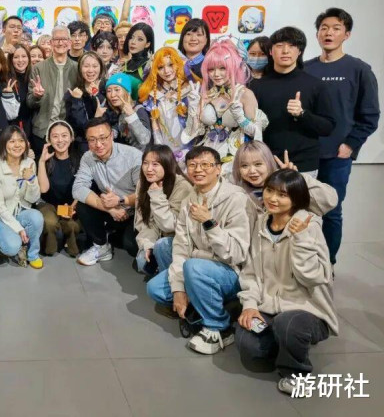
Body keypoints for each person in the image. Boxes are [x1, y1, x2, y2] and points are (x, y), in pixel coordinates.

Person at [235, 169, 337, 396]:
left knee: (289, 324)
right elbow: (251, 272)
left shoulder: (308, 226)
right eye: (270, 191)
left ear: (296, 198)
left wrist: (301, 241)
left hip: (307, 310)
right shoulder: (261, 223)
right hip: (269, 306)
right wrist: (250, 305)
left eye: (282, 195)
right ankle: (287, 342)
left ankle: (296, 373)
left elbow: (313, 276)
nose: (273, 198)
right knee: (248, 346)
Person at [146, 146, 256, 355]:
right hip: (197, 267)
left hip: (231, 271)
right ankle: (202, 302)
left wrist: (209, 223)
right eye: (192, 165)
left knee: (193, 267)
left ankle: (219, 327)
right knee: (156, 288)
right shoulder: (189, 200)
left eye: (206, 165)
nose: (198, 170)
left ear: (218, 169)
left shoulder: (236, 199)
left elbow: (237, 254)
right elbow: (180, 247)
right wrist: (178, 289)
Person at [304, 8, 380, 265]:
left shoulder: (358, 69)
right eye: (324, 28)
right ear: (317, 33)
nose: (329, 33)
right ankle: (303, 263)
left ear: (346, 34)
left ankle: (327, 264)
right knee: (300, 210)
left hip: (337, 155)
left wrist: (350, 145)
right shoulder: (306, 68)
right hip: (307, 153)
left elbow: (370, 115)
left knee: (331, 211)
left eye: (336, 28)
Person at [250, 26, 335, 173]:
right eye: (279, 46)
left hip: (304, 164)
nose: (285, 51)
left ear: (299, 51)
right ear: (270, 51)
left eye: (291, 46)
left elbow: (327, 127)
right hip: (265, 163)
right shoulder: (256, 86)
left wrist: (302, 114)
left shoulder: (316, 85)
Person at [183, 39, 264, 176]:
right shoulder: (206, 95)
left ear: (233, 67)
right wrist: (193, 109)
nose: (216, 74)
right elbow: (194, 132)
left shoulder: (245, 94)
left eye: (222, 68)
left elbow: (256, 134)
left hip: (234, 159)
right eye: (211, 69)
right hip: (206, 158)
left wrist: (240, 118)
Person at [73, 117, 142, 265]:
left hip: (135, 210)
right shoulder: (88, 157)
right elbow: (78, 188)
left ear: (112, 135)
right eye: (92, 140)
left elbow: (144, 194)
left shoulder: (133, 156)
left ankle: (116, 236)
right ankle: (101, 246)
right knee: (82, 205)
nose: (98, 144)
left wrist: (121, 200)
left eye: (103, 138)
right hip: (110, 210)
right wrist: (110, 209)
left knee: (131, 246)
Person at [232, 141, 337, 217]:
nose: (252, 171)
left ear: (269, 163)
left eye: (258, 164)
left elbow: (329, 201)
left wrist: (296, 179)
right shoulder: (236, 190)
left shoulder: (285, 182)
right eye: (244, 166)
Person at [0, 126, 44, 268]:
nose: (17, 145)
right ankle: (10, 243)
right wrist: (18, 228)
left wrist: (31, 180)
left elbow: (33, 199)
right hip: (1, 216)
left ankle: (33, 254)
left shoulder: (29, 163)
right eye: (12, 141)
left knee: (36, 217)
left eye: (21, 140)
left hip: (22, 211)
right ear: (4, 144)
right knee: (11, 247)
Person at [134, 145, 193, 277]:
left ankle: (174, 278)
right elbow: (144, 221)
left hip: (177, 240)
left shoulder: (182, 186)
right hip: (156, 235)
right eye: (145, 163)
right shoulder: (142, 183)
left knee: (161, 246)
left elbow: (169, 226)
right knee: (141, 261)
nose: (149, 169)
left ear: (167, 164)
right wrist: (148, 245)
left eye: (155, 164)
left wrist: (157, 196)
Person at [27, 26, 78, 158]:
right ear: (51, 43)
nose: (60, 43)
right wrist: (36, 96)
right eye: (56, 39)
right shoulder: (38, 68)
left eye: (64, 39)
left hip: (68, 131)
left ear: (69, 42)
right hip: (42, 131)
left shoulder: (77, 68)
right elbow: (29, 103)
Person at [138, 47, 195, 165]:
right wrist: (159, 149)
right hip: (166, 151)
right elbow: (155, 125)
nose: (166, 71)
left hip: (190, 148)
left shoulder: (190, 89)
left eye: (170, 65)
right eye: (160, 67)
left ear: (178, 64)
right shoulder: (154, 94)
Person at [37, 121, 82, 256]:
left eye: (64, 135)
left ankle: (69, 239)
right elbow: (43, 189)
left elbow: (84, 188)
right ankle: (50, 243)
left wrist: (72, 207)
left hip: (72, 204)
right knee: (49, 222)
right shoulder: (44, 160)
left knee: (71, 226)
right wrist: (41, 162)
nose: (60, 140)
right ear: (49, 140)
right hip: (48, 204)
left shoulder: (80, 159)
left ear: (71, 138)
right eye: (55, 136)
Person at [65, 52, 107, 153]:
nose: (90, 70)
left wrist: (96, 95)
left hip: (105, 143)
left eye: (95, 66)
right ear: (80, 68)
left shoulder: (108, 88)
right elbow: (80, 126)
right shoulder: (74, 92)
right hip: (82, 146)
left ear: (101, 68)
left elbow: (110, 117)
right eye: (86, 66)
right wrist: (77, 100)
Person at [103, 73, 152, 151]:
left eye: (117, 90)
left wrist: (132, 116)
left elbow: (145, 139)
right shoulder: (120, 112)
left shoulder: (139, 110)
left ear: (127, 92)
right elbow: (115, 131)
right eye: (109, 91)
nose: (112, 95)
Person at [120, 22, 155, 94]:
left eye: (140, 39)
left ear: (147, 44)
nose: (133, 42)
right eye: (131, 37)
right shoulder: (123, 66)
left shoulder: (150, 66)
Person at [8, 44, 34, 136]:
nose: (20, 60)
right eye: (16, 57)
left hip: (32, 127)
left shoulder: (34, 76)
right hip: (12, 127)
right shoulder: (6, 79)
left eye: (24, 56)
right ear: (10, 59)